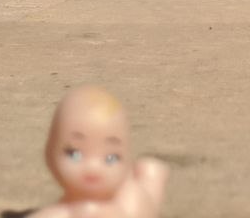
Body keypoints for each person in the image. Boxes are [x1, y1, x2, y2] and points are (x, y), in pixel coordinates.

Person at [34, 86, 167, 218]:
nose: (93, 167)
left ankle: (151, 177)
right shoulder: (68, 210)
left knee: (146, 195)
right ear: (49, 153)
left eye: (111, 158)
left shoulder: (129, 201)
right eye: (74, 154)